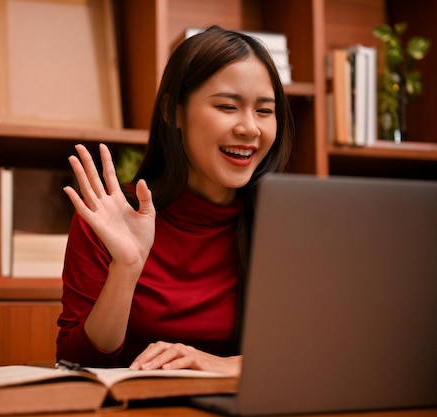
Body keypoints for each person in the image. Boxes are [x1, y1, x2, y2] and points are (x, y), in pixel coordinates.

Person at [56, 25, 293, 375]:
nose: (250, 129)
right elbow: (75, 364)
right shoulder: (112, 219)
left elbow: (314, 355)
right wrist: (126, 269)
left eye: (263, 111)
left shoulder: (286, 225)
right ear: (173, 111)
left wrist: (221, 366)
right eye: (228, 106)